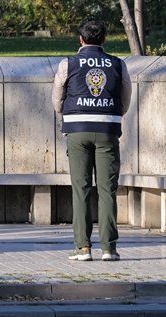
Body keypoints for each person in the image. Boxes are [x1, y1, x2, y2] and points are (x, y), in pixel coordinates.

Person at [51, 17, 132, 262]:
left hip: (77, 130)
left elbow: (57, 98)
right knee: (108, 190)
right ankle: (109, 248)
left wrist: (66, 112)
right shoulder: (118, 64)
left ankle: (83, 248)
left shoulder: (69, 63)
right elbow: (125, 97)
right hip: (108, 130)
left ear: (81, 39)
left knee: (81, 188)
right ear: (104, 39)